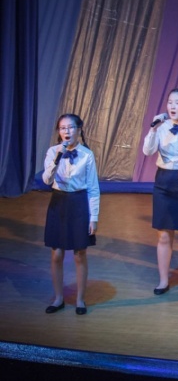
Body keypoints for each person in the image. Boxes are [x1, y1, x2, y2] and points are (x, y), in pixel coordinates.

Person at [142, 88, 178, 296]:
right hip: (164, 181)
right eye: (170, 102)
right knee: (164, 235)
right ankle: (163, 281)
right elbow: (148, 151)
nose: (172, 106)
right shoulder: (161, 127)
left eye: (177, 102)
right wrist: (153, 130)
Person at [42, 114, 100, 316]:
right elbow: (47, 180)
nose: (66, 131)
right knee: (57, 253)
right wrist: (57, 158)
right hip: (58, 203)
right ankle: (58, 298)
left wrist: (94, 217)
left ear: (78, 129)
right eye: (62, 128)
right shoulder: (52, 152)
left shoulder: (86, 155)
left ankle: (80, 299)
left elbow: (93, 188)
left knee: (79, 253)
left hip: (79, 203)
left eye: (70, 127)